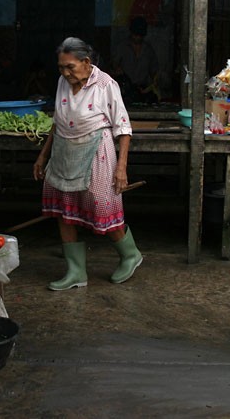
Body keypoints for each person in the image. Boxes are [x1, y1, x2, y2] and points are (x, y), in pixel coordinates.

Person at [33, 37, 142, 291]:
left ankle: (130, 255)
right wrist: (43, 156)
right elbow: (57, 121)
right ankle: (75, 272)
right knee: (64, 209)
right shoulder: (63, 81)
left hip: (97, 151)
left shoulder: (106, 84)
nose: (65, 72)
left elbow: (123, 127)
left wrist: (121, 166)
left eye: (70, 66)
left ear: (86, 62)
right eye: (61, 67)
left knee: (102, 207)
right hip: (63, 151)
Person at [112, 16, 160, 103]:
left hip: (143, 89)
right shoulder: (122, 47)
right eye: (135, 35)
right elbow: (113, 67)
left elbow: (154, 71)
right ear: (131, 33)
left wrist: (155, 82)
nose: (137, 38)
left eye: (140, 35)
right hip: (125, 91)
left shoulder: (148, 50)